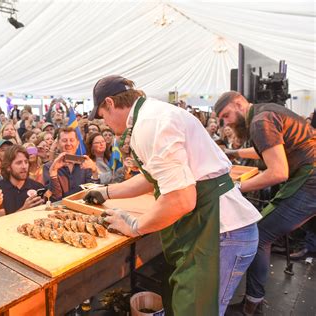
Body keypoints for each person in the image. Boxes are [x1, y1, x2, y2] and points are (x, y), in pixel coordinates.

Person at [84, 75, 261, 316]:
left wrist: (135, 226)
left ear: (110, 103)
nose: (103, 122)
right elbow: (151, 177)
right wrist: (105, 192)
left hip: (221, 232)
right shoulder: (153, 115)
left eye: (102, 115)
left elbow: (181, 199)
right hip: (217, 227)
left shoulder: (150, 124)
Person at [215, 91, 316, 315]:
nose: (227, 122)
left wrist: (235, 188)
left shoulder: (260, 121)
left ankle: (252, 306)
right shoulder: (266, 112)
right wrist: (232, 152)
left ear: (239, 103)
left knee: (259, 234)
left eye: (227, 115)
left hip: (310, 180)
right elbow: (269, 149)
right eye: (222, 119)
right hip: (307, 176)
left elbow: (278, 172)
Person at [43, 127, 99, 201]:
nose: (68, 144)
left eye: (72, 140)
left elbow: (93, 193)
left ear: (78, 143)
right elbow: (53, 198)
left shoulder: (85, 163)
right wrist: (53, 173)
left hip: (82, 208)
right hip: (60, 210)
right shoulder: (49, 167)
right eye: (64, 140)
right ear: (58, 144)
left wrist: (95, 172)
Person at [0, 145, 44, 214]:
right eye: (19, 163)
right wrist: (24, 209)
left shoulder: (38, 188)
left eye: (26, 162)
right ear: (8, 167)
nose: (24, 166)